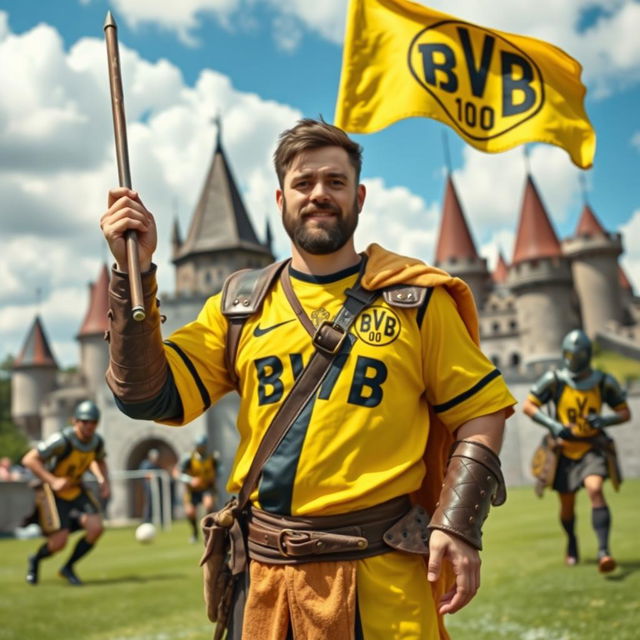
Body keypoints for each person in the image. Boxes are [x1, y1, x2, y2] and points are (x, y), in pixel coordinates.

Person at [100, 119, 516, 639]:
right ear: (280, 199)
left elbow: (481, 410)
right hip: (265, 588)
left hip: (381, 579)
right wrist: (131, 273)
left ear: (359, 197)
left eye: (335, 182)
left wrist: (458, 522)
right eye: (304, 183)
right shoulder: (238, 309)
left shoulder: (416, 300)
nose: (319, 194)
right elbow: (148, 396)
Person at [523, 329, 631, 573]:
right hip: (563, 451)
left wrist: (604, 421)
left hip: (592, 447)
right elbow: (529, 406)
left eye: (577, 354)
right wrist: (553, 425)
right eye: (569, 354)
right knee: (567, 506)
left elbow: (625, 412)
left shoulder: (603, 381)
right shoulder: (554, 379)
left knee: (595, 489)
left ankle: (604, 551)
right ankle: (572, 542)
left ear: (586, 355)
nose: (572, 359)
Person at [21, 400, 110, 586]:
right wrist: (53, 481)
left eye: (93, 422)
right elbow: (29, 460)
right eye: (84, 422)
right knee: (58, 543)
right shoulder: (62, 440)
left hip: (76, 488)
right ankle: (35, 559)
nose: (89, 426)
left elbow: (99, 460)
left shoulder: (96, 442)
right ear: (74, 421)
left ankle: (68, 567)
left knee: (96, 528)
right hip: (54, 494)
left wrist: (104, 480)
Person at [175, 435, 219, 543]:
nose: (201, 448)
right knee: (190, 512)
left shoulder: (212, 458)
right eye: (199, 446)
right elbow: (177, 473)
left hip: (206, 488)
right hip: (192, 491)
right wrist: (190, 480)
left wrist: (214, 477)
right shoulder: (189, 458)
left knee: (208, 505)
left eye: (203, 446)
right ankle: (194, 532)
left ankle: (209, 531)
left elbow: (219, 470)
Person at [139, 447, 163, 523]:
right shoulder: (145, 464)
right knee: (149, 503)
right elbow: (145, 474)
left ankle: (156, 519)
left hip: (156, 488)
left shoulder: (156, 465)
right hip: (148, 487)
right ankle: (147, 520)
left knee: (156, 503)